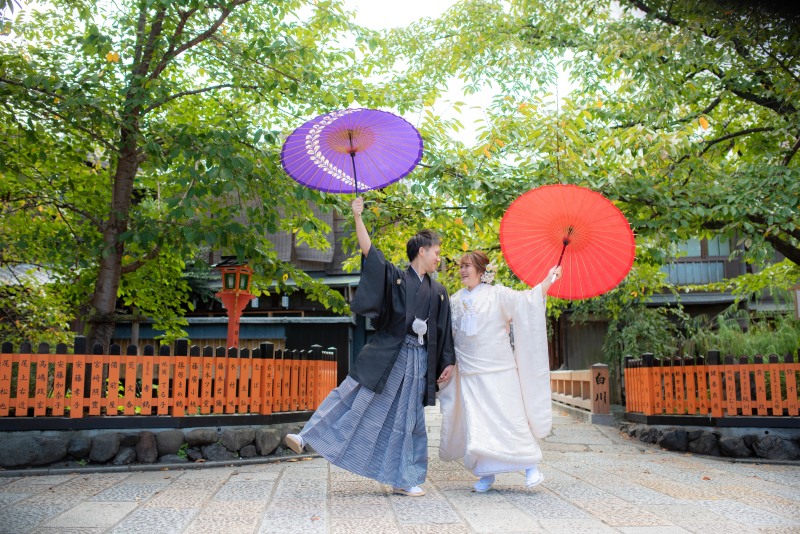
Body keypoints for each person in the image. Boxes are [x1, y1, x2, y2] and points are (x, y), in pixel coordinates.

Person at [286, 196, 455, 497]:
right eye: (437, 252)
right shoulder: (398, 279)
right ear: (422, 250)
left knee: (408, 419)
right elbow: (370, 253)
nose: (438, 258)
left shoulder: (439, 291)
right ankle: (307, 435)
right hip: (389, 354)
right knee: (351, 394)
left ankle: (404, 477)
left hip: (419, 361)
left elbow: (443, 332)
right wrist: (357, 217)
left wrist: (448, 363)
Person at [437, 250, 561, 493]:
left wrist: (548, 280)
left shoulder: (499, 294)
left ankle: (530, 467)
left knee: (511, 420)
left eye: (468, 266)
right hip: (471, 374)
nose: (463, 270)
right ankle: (486, 473)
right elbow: (449, 338)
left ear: (482, 271)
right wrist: (448, 364)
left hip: (499, 370)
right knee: (479, 424)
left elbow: (527, 301)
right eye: (461, 266)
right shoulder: (454, 300)